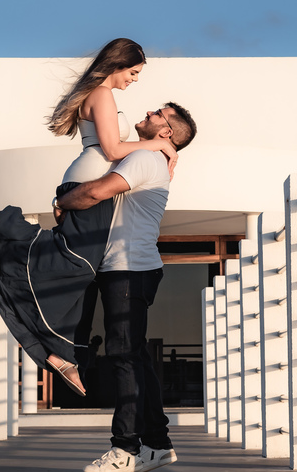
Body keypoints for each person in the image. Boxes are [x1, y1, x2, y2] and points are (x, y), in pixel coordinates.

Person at [0, 39, 177, 397]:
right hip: (86, 181)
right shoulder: (102, 94)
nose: (135, 80)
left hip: (85, 178)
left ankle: (63, 354)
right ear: (118, 64)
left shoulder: (101, 95)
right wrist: (159, 145)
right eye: (133, 72)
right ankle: (6, 223)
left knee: (81, 269)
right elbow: (112, 150)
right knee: (73, 260)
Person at [56, 103, 197, 472]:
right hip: (129, 267)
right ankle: (157, 444)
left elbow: (96, 193)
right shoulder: (148, 156)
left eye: (157, 114)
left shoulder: (145, 161)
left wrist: (61, 201)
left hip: (128, 268)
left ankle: (125, 451)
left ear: (166, 131)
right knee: (132, 356)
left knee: (123, 355)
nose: (148, 112)